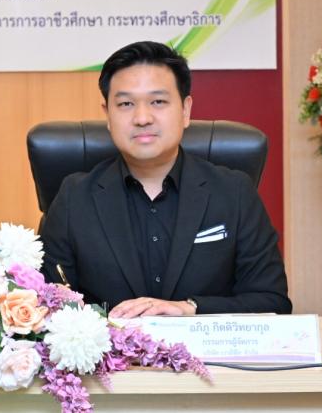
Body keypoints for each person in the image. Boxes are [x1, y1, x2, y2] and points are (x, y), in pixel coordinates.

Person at [40, 41, 291, 316]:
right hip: (111, 344)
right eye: (125, 104)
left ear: (185, 110)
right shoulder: (74, 198)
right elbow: (47, 305)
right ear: (108, 115)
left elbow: (272, 302)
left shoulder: (235, 192)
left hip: (205, 345)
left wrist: (190, 309)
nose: (142, 118)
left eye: (158, 102)